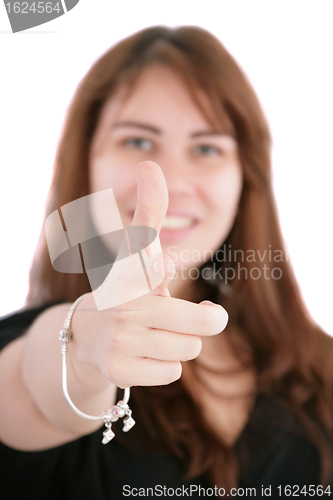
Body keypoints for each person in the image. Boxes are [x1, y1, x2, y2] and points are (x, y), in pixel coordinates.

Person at [0, 25, 332, 499]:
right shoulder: (29, 347)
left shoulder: (320, 367)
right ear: (86, 160)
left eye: (206, 148)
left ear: (245, 177)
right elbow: (37, 389)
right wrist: (83, 349)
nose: (171, 181)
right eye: (136, 141)